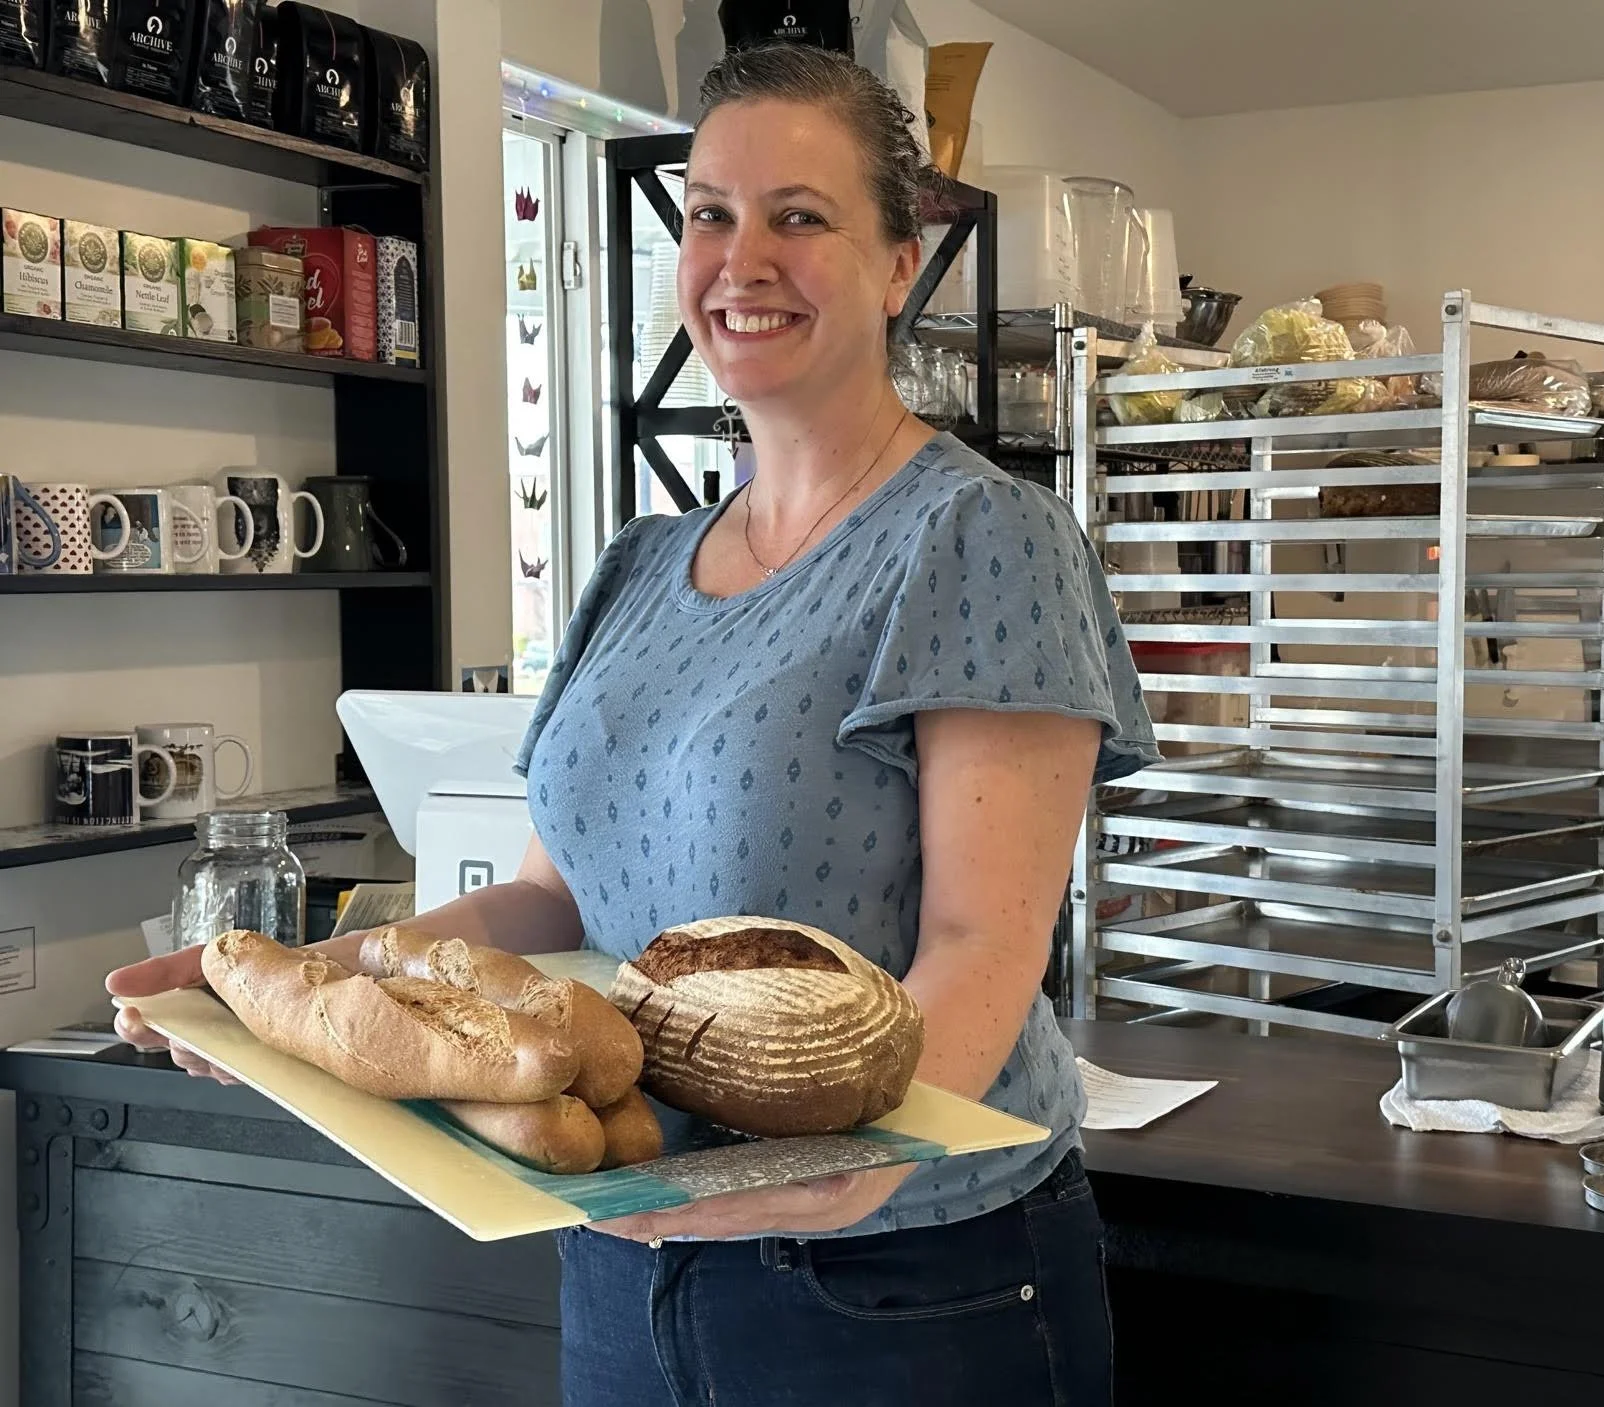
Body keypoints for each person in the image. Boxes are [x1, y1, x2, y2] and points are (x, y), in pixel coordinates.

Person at [109, 41, 1159, 1407]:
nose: (742, 258)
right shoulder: (638, 563)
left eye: (800, 216)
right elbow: (553, 900)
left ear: (901, 264)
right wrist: (313, 990)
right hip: (629, 1241)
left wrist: (847, 1168)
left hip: (898, 1274)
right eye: (711, 214)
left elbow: (981, 945)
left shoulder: (979, 538)